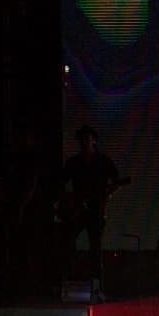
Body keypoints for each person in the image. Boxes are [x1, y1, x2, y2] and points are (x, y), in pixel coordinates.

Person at [58, 123, 128, 287]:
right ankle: (71, 278)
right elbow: (61, 182)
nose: (84, 142)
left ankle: (97, 285)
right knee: (68, 239)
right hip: (78, 209)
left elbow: (116, 181)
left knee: (95, 247)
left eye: (87, 139)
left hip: (96, 209)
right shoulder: (74, 162)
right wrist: (70, 201)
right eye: (81, 140)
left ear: (93, 141)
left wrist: (107, 195)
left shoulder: (103, 161)